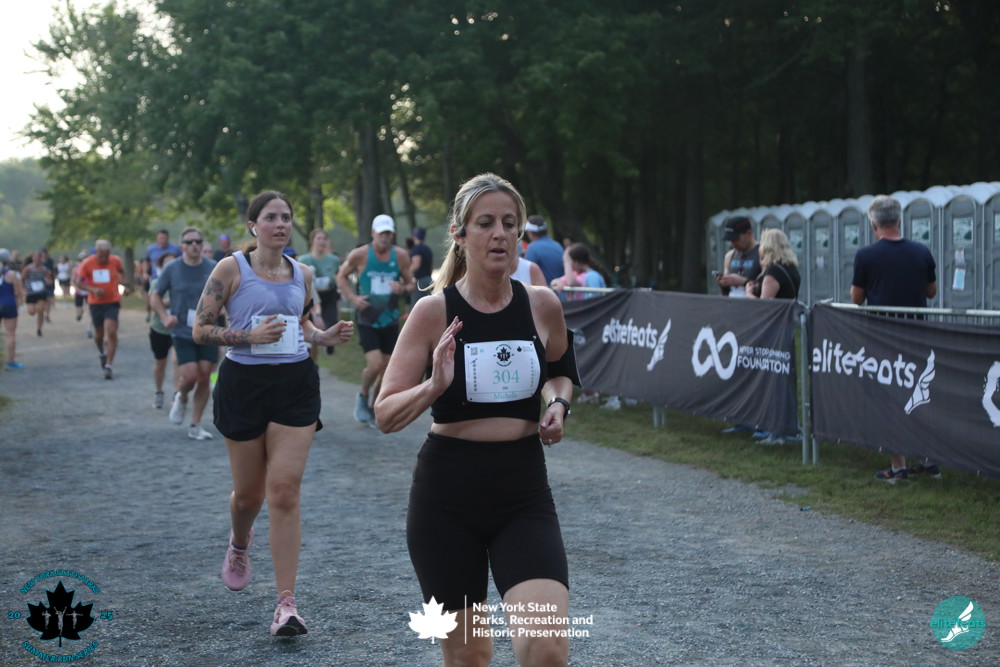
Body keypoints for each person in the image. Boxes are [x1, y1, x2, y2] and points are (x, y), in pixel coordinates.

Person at [375, 173, 577, 667]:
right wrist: (433, 386)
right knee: (469, 656)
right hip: (446, 498)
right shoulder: (433, 311)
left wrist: (557, 405)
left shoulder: (542, 304)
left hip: (523, 493)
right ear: (460, 235)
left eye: (509, 222)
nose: (500, 234)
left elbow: (560, 372)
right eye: (485, 223)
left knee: (547, 648)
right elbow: (385, 413)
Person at [191, 190, 354, 636]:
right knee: (250, 496)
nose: (280, 224)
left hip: (294, 386)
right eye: (271, 217)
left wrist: (322, 336)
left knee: (283, 491)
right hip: (243, 386)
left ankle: (286, 604)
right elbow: (200, 329)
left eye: (286, 217)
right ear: (253, 226)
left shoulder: (302, 273)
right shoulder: (231, 269)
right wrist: (248, 335)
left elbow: (301, 325)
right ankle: (239, 542)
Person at [851, 195, 938, 483]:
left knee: (889, 399)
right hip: (917, 336)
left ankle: (898, 466)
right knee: (920, 396)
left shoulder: (866, 255)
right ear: (900, 221)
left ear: (873, 224)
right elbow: (931, 292)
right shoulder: (922, 251)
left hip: (883, 339)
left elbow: (856, 298)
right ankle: (928, 460)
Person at [336, 213, 414, 425]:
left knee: (387, 368)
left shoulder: (400, 256)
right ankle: (362, 396)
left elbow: (411, 284)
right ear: (373, 233)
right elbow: (341, 275)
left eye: (388, 233)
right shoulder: (360, 255)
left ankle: (374, 406)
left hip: (390, 319)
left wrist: (402, 288)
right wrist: (353, 298)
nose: (385, 237)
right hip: (367, 318)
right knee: (375, 364)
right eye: (381, 233)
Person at [150, 227, 219, 440]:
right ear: (182, 247)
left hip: (208, 330)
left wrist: (224, 308)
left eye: (198, 241)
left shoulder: (214, 267)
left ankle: (195, 424)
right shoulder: (172, 268)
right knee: (190, 376)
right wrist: (164, 317)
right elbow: (155, 296)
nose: (194, 245)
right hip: (182, 331)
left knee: (205, 377)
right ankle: (181, 396)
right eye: (189, 242)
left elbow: (229, 292)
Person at [745, 228, 801, 443]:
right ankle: (788, 427)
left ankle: (777, 430)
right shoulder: (791, 269)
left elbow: (764, 306)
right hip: (786, 330)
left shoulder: (773, 273)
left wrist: (749, 293)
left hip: (773, 333)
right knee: (785, 379)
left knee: (774, 380)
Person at [715, 215, 762, 434]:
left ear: (749, 233)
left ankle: (761, 418)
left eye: (737, 238)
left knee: (757, 369)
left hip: (756, 318)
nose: (733, 243)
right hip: (735, 318)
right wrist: (723, 283)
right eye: (730, 240)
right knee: (739, 368)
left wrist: (742, 281)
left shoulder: (761, 252)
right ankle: (743, 418)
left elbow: (768, 282)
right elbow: (726, 289)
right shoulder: (730, 255)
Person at [74, 240, 129, 379]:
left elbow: (122, 274)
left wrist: (125, 286)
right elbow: (78, 282)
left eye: (107, 254)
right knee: (99, 335)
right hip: (96, 302)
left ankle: (109, 366)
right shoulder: (87, 263)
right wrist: (92, 289)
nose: (104, 257)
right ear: (96, 252)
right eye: (101, 254)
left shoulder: (115, 261)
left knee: (111, 331)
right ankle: (102, 353)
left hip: (112, 301)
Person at [299, 228, 341, 358]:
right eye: (319, 238)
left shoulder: (333, 260)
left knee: (330, 323)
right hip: (311, 296)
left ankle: (329, 343)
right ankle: (313, 360)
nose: (321, 241)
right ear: (312, 241)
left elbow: (338, 276)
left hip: (329, 295)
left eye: (324, 238)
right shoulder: (303, 260)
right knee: (312, 330)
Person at [147, 251, 178, 409]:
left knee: (177, 360)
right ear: (161, 266)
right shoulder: (156, 283)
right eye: (167, 263)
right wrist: (170, 302)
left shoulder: (182, 282)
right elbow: (153, 303)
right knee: (161, 362)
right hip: (159, 328)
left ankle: (177, 394)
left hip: (179, 329)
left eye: (174, 262)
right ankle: (159, 391)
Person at [0, 248, 25, 370]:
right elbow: (18, 292)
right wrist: (19, 305)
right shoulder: (11, 274)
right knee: (10, 334)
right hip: (9, 305)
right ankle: (10, 362)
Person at [21, 251, 53, 337]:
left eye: (39, 257)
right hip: (30, 292)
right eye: (35, 257)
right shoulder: (28, 268)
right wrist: (23, 289)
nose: (37, 259)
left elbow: (49, 279)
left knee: (40, 310)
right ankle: (35, 310)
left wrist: (48, 281)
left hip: (41, 292)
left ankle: (39, 329)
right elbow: (22, 279)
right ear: (33, 258)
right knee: (31, 312)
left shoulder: (44, 269)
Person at [524, 215, 565, 284]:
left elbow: (526, 272)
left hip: (543, 289)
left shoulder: (532, 247)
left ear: (530, 233)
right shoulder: (558, 245)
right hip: (560, 289)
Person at [409, 227, 434, 304]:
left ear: (414, 236)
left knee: (417, 305)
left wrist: (405, 273)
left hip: (420, 283)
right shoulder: (427, 249)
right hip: (429, 280)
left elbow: (416, 265)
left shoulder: (416, 248)